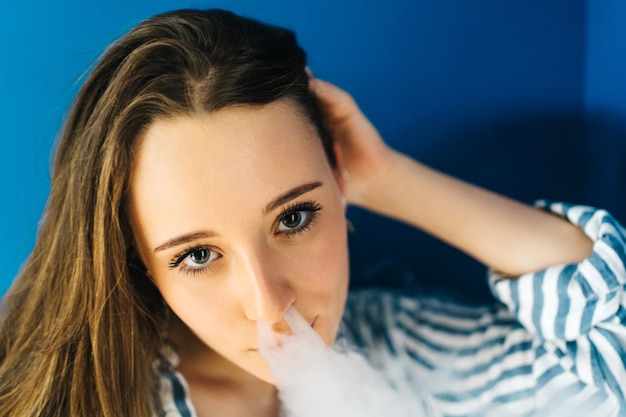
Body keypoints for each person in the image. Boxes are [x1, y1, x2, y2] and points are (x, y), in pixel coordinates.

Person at [0, 7, 624, 417]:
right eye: (197, 255)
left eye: (294, 219)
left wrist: (391, 181)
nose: (271, 306)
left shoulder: (396, 351)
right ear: (137, 259)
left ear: (337, 183)